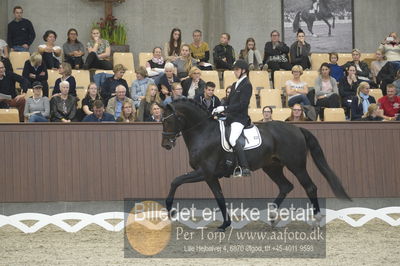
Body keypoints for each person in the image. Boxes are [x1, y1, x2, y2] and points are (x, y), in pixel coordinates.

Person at [212, 59, 252, 177]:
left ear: (243, 71)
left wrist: (225, 109)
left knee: (233, 139)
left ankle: (244, 167)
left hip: (240, 118)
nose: (234, 72)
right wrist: (219, 108)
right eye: (234, 69)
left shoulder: (247, 85)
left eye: (237, 69)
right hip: (230, 117)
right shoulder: (235, 84)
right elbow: (229, 102)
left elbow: (242, 105)